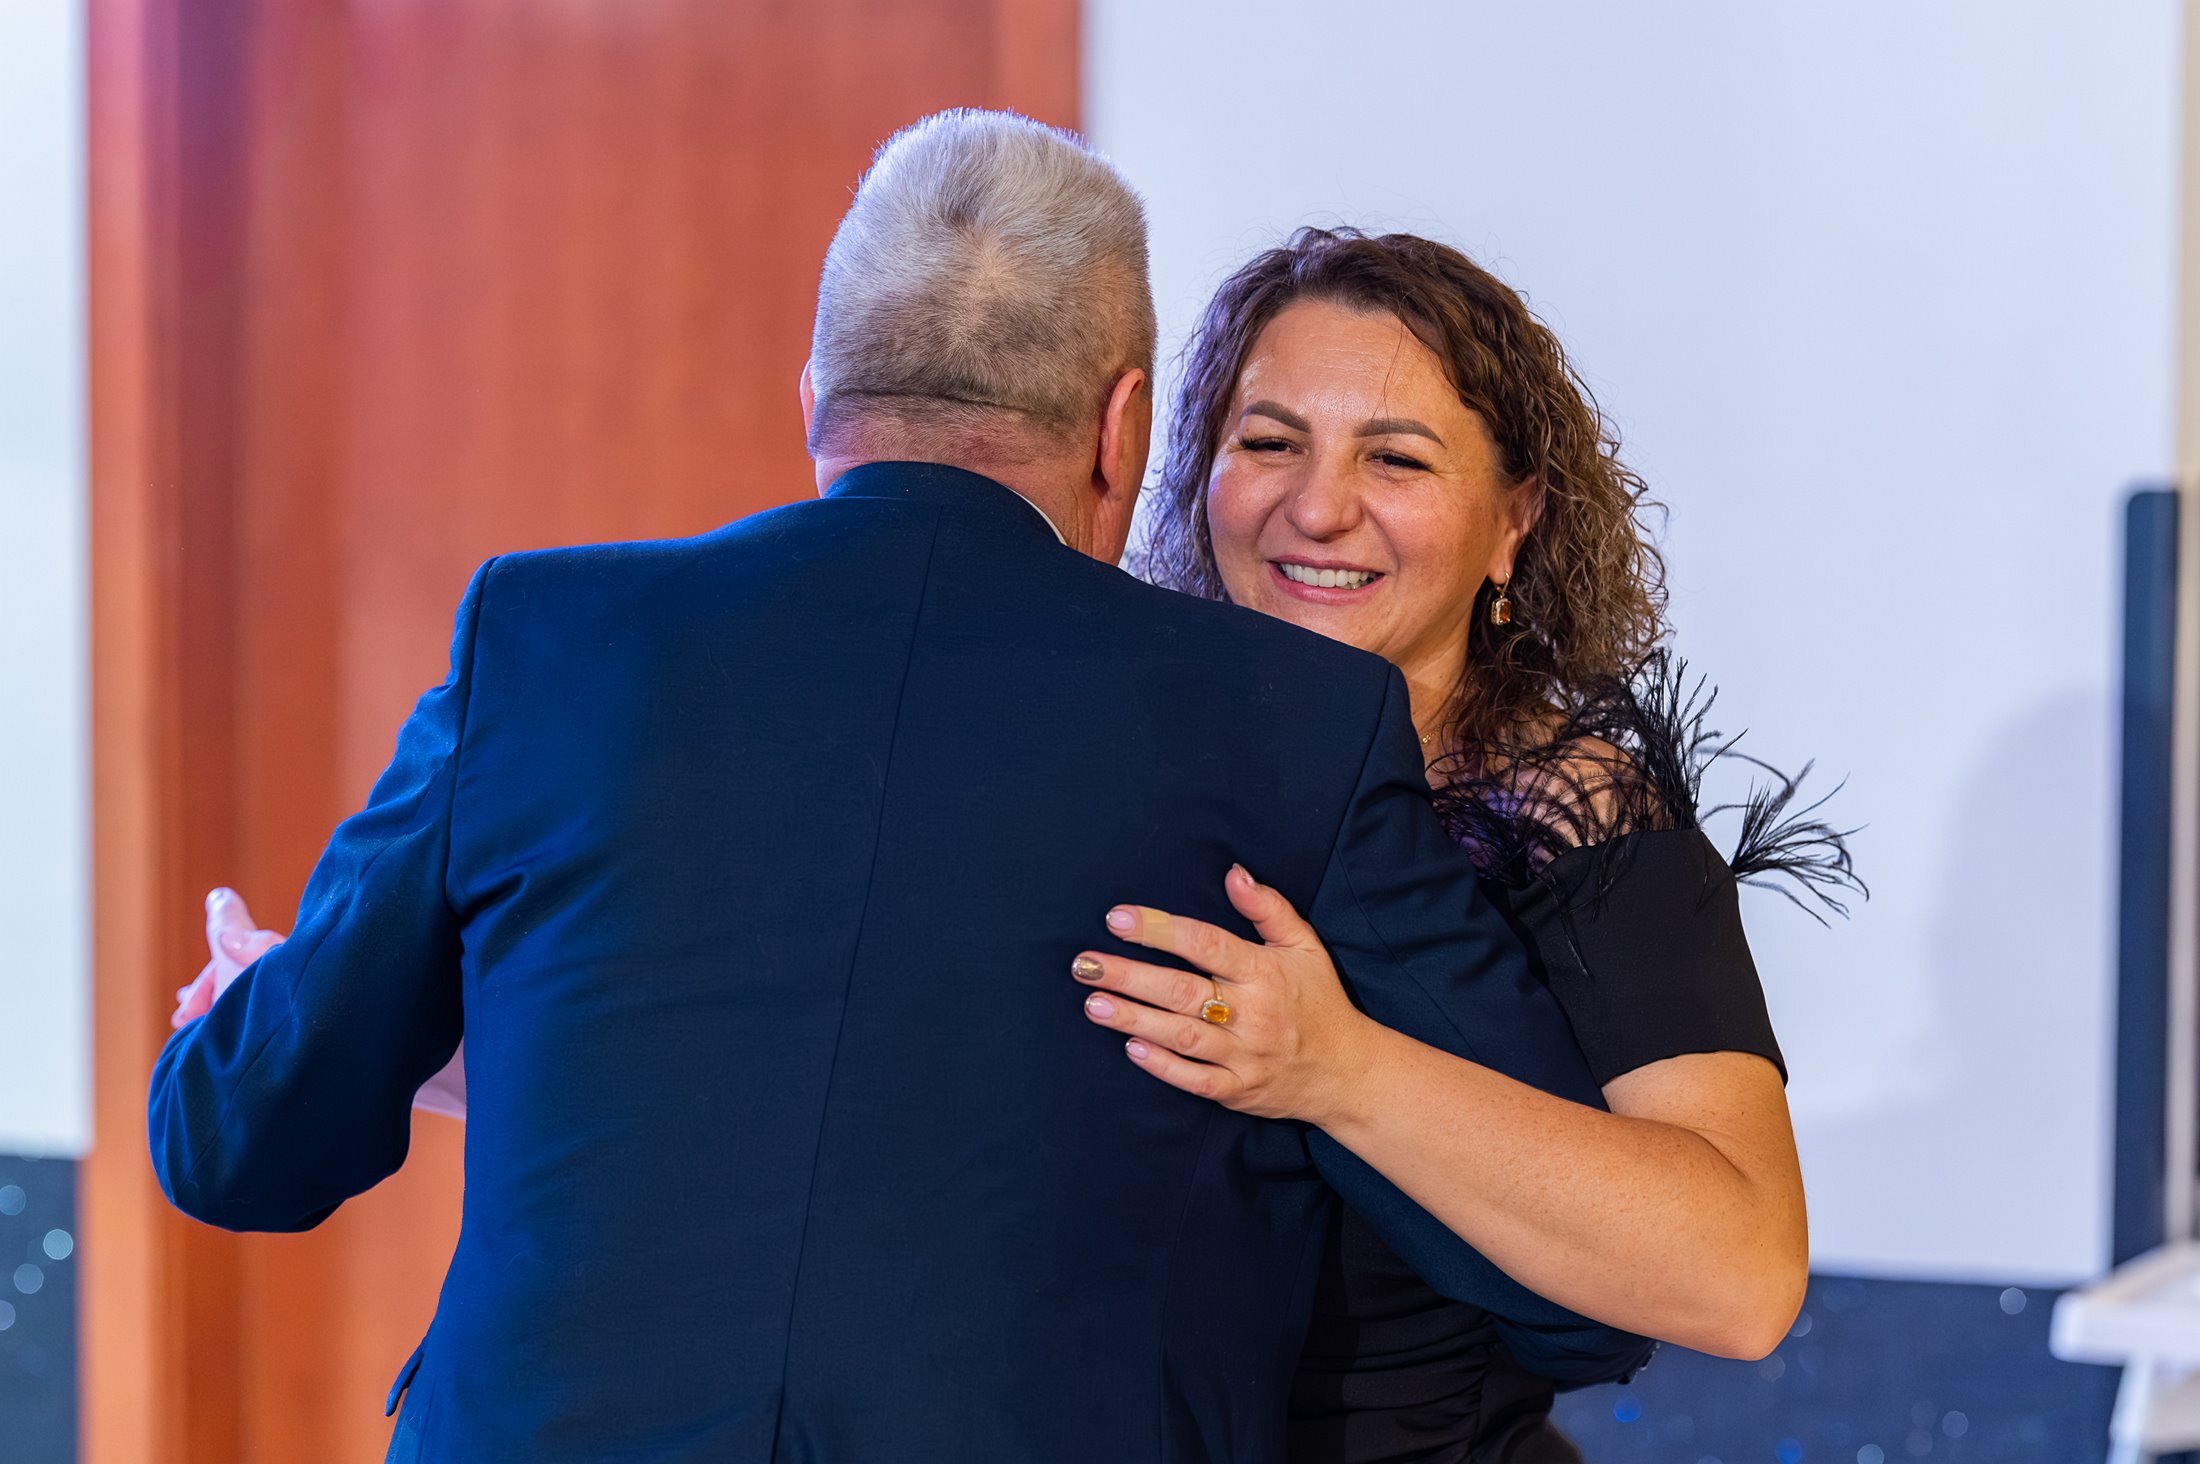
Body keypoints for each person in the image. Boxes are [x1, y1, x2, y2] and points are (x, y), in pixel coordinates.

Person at [148, 114, 1651, 1464]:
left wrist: (283, 1012)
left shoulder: (543, 637)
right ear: (1124, 426)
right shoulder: (1294, 723)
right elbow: (1571, 1300)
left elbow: (239, 1144)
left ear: (816, 393)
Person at [1076, 227, 1858, 1461]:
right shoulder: (1113, 761)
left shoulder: (1575, 816)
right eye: (1268, 443)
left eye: (1394, 459)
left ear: (1512, 522)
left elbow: (1741, 1278)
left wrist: (1338, 1069)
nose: (1316, 508)